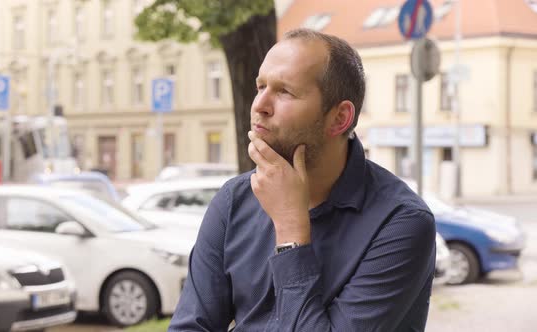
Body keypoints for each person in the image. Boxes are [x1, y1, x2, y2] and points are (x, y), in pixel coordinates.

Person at [169, 28, 436, 332]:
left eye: (284, 92)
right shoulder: (234, 200)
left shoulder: (401, 222)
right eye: (261, 87)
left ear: (340, 118)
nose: (260, 105)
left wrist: (291, 230)